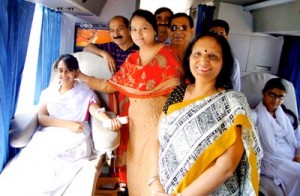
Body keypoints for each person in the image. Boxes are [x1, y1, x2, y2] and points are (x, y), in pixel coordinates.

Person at [78, 9, 183, 196]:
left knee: (157, 171)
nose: (138, 34)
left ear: (154, 30)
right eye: (134, 29)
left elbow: (183, 89)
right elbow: (110, 85)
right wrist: (81, 76)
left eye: (144, 28)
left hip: (161, 122)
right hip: (135, 124)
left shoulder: (168, 54)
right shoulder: (132, 59)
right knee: (136, 171)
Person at [149, 33, 263, 195]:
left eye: (213, 56)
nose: (203, 61)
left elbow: (226, 167)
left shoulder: (233, 103)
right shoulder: (178, 93)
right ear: (189, 58)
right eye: (197, 54)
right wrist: (155, 183)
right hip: (164, 189)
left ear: (224, 64)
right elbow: (157, 139)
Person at [0, 54, 122, 195]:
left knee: (55, 167)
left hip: (76, 135)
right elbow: (42, 118)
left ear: (76, 72)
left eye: (68, 70)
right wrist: (68, 124)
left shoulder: (84, 91)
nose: (64, 74)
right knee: (31, 161)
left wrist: (106, 120)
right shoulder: (48, 92)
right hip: (50, 133)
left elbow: (94, 109)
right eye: (60, 70)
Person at [84, 15, 138, 185]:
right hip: (114, 96)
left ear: (129, 29)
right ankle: (121, 179)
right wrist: (103, 53)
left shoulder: (138, 50)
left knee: (133, 139)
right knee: (117, 137)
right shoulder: (111, 47)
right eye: (112, 30)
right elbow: (87, 47)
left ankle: (134, 177)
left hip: (134, 99)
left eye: (120, 28)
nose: (116, 33)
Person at [252, 78, 300, 195]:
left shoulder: (288, 117)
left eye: (280, 97)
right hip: (271, 161)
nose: (276, 100)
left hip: (291, 157)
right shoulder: (255, 115)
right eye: (272, 95)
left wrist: (298, 155)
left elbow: (298, 139)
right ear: (264, 93)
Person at [208, 19, 241, 91]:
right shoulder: (198, 57)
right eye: (213, 32)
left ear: (226, 37)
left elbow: (236, 89)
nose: (217, 36)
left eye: (221, 33)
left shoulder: (232, 62)